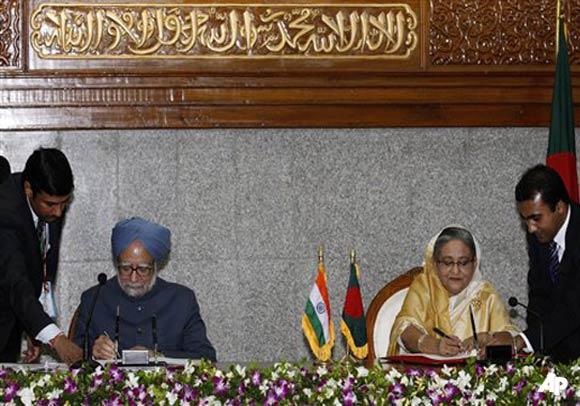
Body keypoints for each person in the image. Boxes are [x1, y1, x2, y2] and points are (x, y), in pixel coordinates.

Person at [74, 217, 217, 361]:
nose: (133, 278)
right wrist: (94, 352)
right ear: (117, 264)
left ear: (156, 266)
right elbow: (74, 357)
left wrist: (159, 357)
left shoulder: (181, 300)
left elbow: (205, 358)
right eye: (126, 268)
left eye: (143, 269)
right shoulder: (94, 298)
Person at [0, 148, 82, 364]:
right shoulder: (5, 214)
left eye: (65, 203)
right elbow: (16, 281)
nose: (58, 212)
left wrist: (34, 329)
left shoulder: (51, 203)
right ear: (29, 189)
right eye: (52, 205)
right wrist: (54, 337)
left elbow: (39, 265)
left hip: (13, 318)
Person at [388, 226, 519, 357]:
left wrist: (489, 338)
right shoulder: (424, 288)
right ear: (435, 264)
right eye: (447, 262)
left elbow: (509, 335)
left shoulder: (486, 295)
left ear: (474, 263)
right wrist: (435, 345)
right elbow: (404, 328)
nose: (455, 271)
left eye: (463, 263)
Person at [514, 164, 580, 362]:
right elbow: (539, 293)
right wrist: (536, 352)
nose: (531, 228)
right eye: (525, 220)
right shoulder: (538, 235)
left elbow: (574, 306)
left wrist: (527, 340)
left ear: (559, 207)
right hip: (559, 350)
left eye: (535, 218)